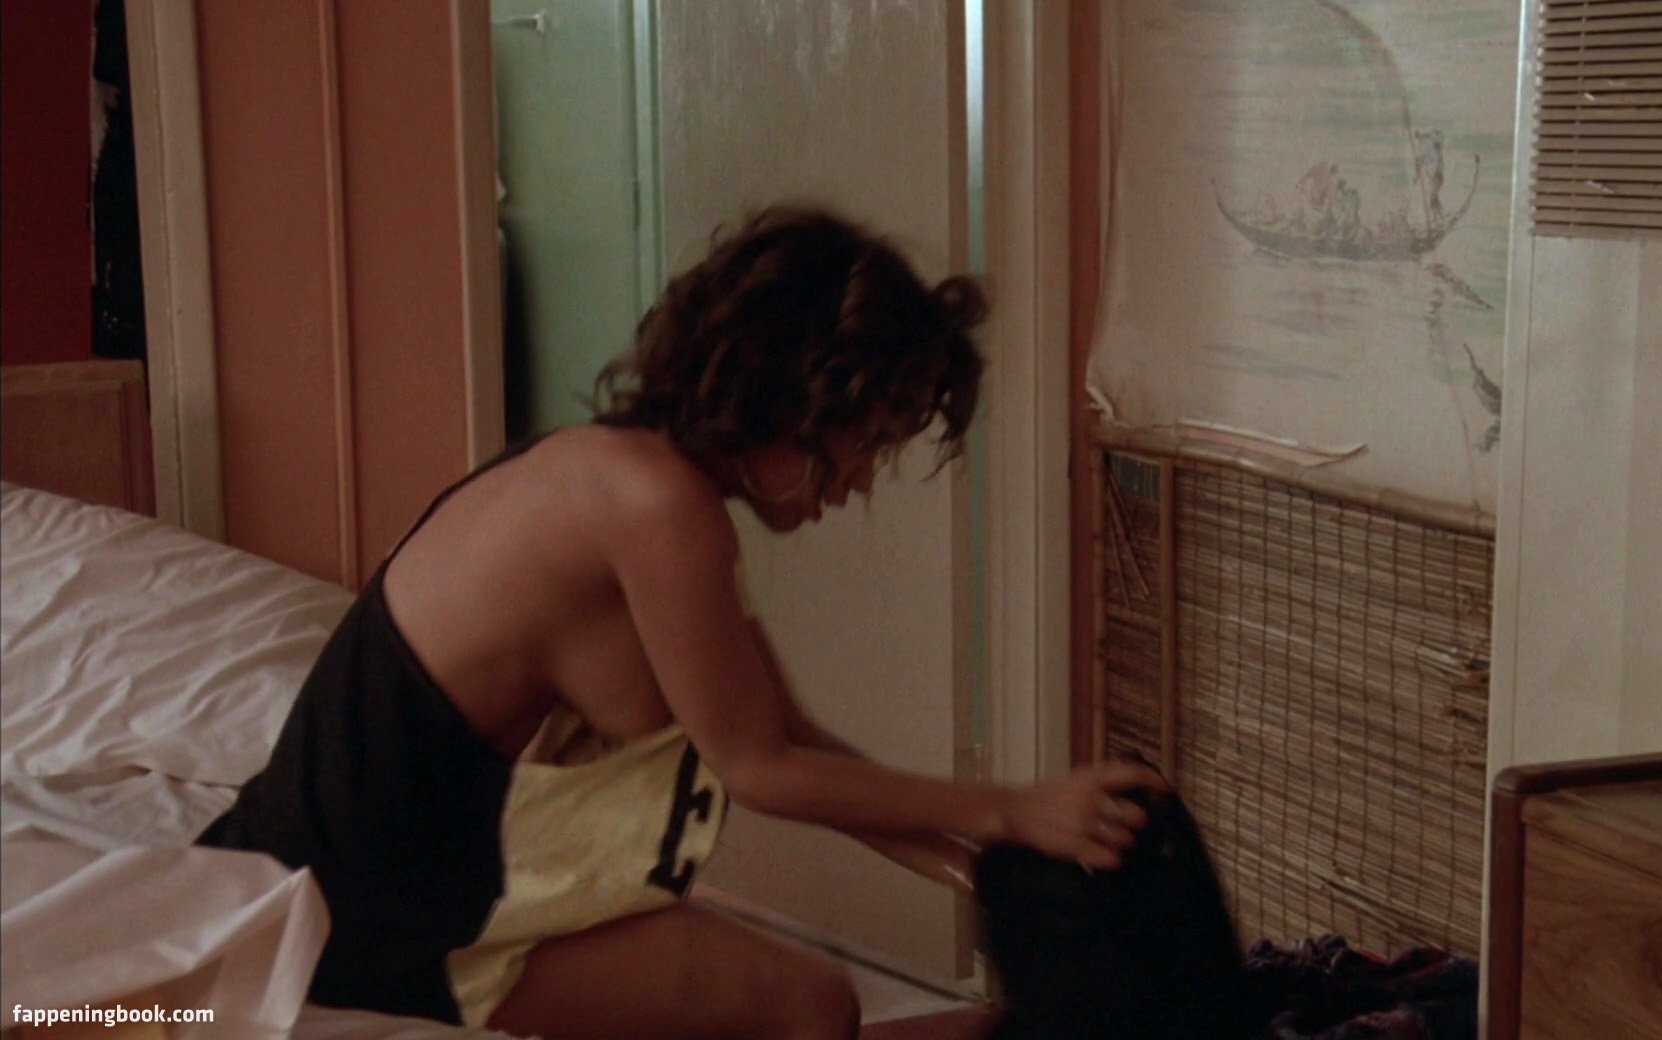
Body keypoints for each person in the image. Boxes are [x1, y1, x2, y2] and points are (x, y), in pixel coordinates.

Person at [198, 205, 1163, 1040]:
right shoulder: (651, 506)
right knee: (810, 1005)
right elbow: (758, 768)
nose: (861, 481)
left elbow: (795, 742)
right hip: (359, 914)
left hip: (418, 884)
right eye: (863, 442)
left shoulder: (646, 481)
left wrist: (993, 872)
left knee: (815, 1002)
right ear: (792, 396)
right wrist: (1009, 808)